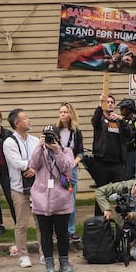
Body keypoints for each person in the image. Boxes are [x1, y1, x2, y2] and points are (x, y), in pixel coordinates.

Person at [29, 124, 77, 272]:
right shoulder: (39, 151)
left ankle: (64, 261)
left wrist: (56, 151)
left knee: (62, 233)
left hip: (61, 199)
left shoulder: (66, 151)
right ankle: (49, 263)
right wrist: (39, 146)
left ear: (57, 138)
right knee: (45, 233)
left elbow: (67, 167)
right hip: (41, 199)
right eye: (46, 136)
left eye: (51, 136)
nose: (49, 139)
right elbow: (33, 165)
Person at [2, 109, 39, 267]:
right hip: (19, 188)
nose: (29, 120)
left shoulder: (35, 140)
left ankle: (45, 252)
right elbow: (17, 163)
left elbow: (41, 158)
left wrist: (35, 167)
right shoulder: (9, 142)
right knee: (22, 223)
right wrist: (33, 164)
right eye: (25, 118)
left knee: (41, 222)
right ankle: (23, 254)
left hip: (38, 186)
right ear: (17, 123)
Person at [88, 93, 136, 186]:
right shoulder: (101, 120)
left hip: (117, 162)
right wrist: (100, 104)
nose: (110, 104)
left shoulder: (118, 121)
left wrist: (121, 120)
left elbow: (129, 134)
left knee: (119, 190)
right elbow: (95, 120)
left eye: (112, 102)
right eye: (107, 102)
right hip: (102, 161)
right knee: (102, 189)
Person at [55, 102, 85, 245]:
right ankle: (57, 229)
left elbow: (80, 151)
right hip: (57, 168)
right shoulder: (55, 130)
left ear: (70, 114)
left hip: (71, 169)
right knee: (57, 198)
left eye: (65, 112)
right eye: (61, 112)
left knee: (70, 199)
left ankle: (70, 230)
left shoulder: (76, 132)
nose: (63, 114)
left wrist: (74, 162)